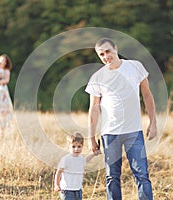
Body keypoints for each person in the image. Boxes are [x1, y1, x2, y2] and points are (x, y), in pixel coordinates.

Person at [85, 38, 157, 200]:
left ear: (116, 48)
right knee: (112, 177)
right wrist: (91, 138)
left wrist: (153, 123)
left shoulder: (135, 66)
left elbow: (147, 95)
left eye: (108, 51)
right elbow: (94, 109)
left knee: (142, 174)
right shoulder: (98, 77)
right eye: (101, 54)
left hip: (134, 131)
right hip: (109, 134)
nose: (105, 56)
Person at [54, 132, 100, 200]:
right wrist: (56, 185)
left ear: (82, 146)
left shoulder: (80, 158)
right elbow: (59, 172)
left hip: (78, 190)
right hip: (67, 190)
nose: (76, 149)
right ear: (68, 147)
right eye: (73, 147)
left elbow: (85, 160)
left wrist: (93, 154)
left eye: (79, 146)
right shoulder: (66, 159)